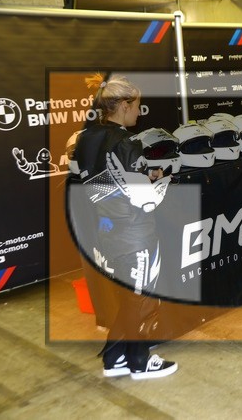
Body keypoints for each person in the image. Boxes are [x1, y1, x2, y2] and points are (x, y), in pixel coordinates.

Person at [69, 73, 178, 379]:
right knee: (138, 300)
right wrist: (161, 180)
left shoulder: (86, 138)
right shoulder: (126, 142)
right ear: (124, 105)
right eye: (137, 106)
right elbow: (146, 200)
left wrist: (142, 178)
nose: (139, 113)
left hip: (107, 230)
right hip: (134, 233)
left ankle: (114, 357)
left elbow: (101, 182)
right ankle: (139, 362)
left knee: (129, 299)